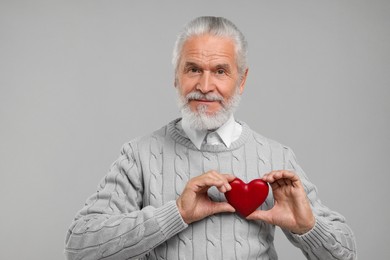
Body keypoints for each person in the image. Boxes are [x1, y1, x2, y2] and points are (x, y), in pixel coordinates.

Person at [65, 16, 357, 260]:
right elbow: (78, 246)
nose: (205, 86)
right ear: (176, 77)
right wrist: (176, 213)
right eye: (193, 69)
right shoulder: (138, 155)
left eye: (220, 71)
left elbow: (346, 254)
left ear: (241, 80)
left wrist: (307, 227)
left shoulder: (277, 157)